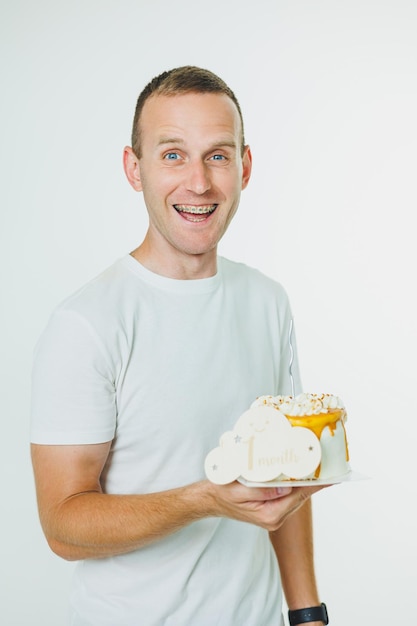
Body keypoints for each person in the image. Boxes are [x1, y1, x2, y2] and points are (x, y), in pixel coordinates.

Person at [31, 66, 329, 626]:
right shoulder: (87, 323)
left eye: (217, 155)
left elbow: (289, 481)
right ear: (133, 168)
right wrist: (204, 499)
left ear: (243, 167)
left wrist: (308, 614)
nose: (198, 182)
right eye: (172, 155)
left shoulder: (267, 301)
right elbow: (63, 527)